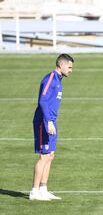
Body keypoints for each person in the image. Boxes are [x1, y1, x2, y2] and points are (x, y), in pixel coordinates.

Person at [29, 54, 74, 201]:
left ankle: (43, 189)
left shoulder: (58, 80)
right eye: (69, 66)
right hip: (44, 122)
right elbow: (42, 100)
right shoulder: (50, 79)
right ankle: (34, 191)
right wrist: (48, 121)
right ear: (60, 65)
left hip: (51, 122)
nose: (71, 70)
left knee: (51, 155)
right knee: (44, 156)